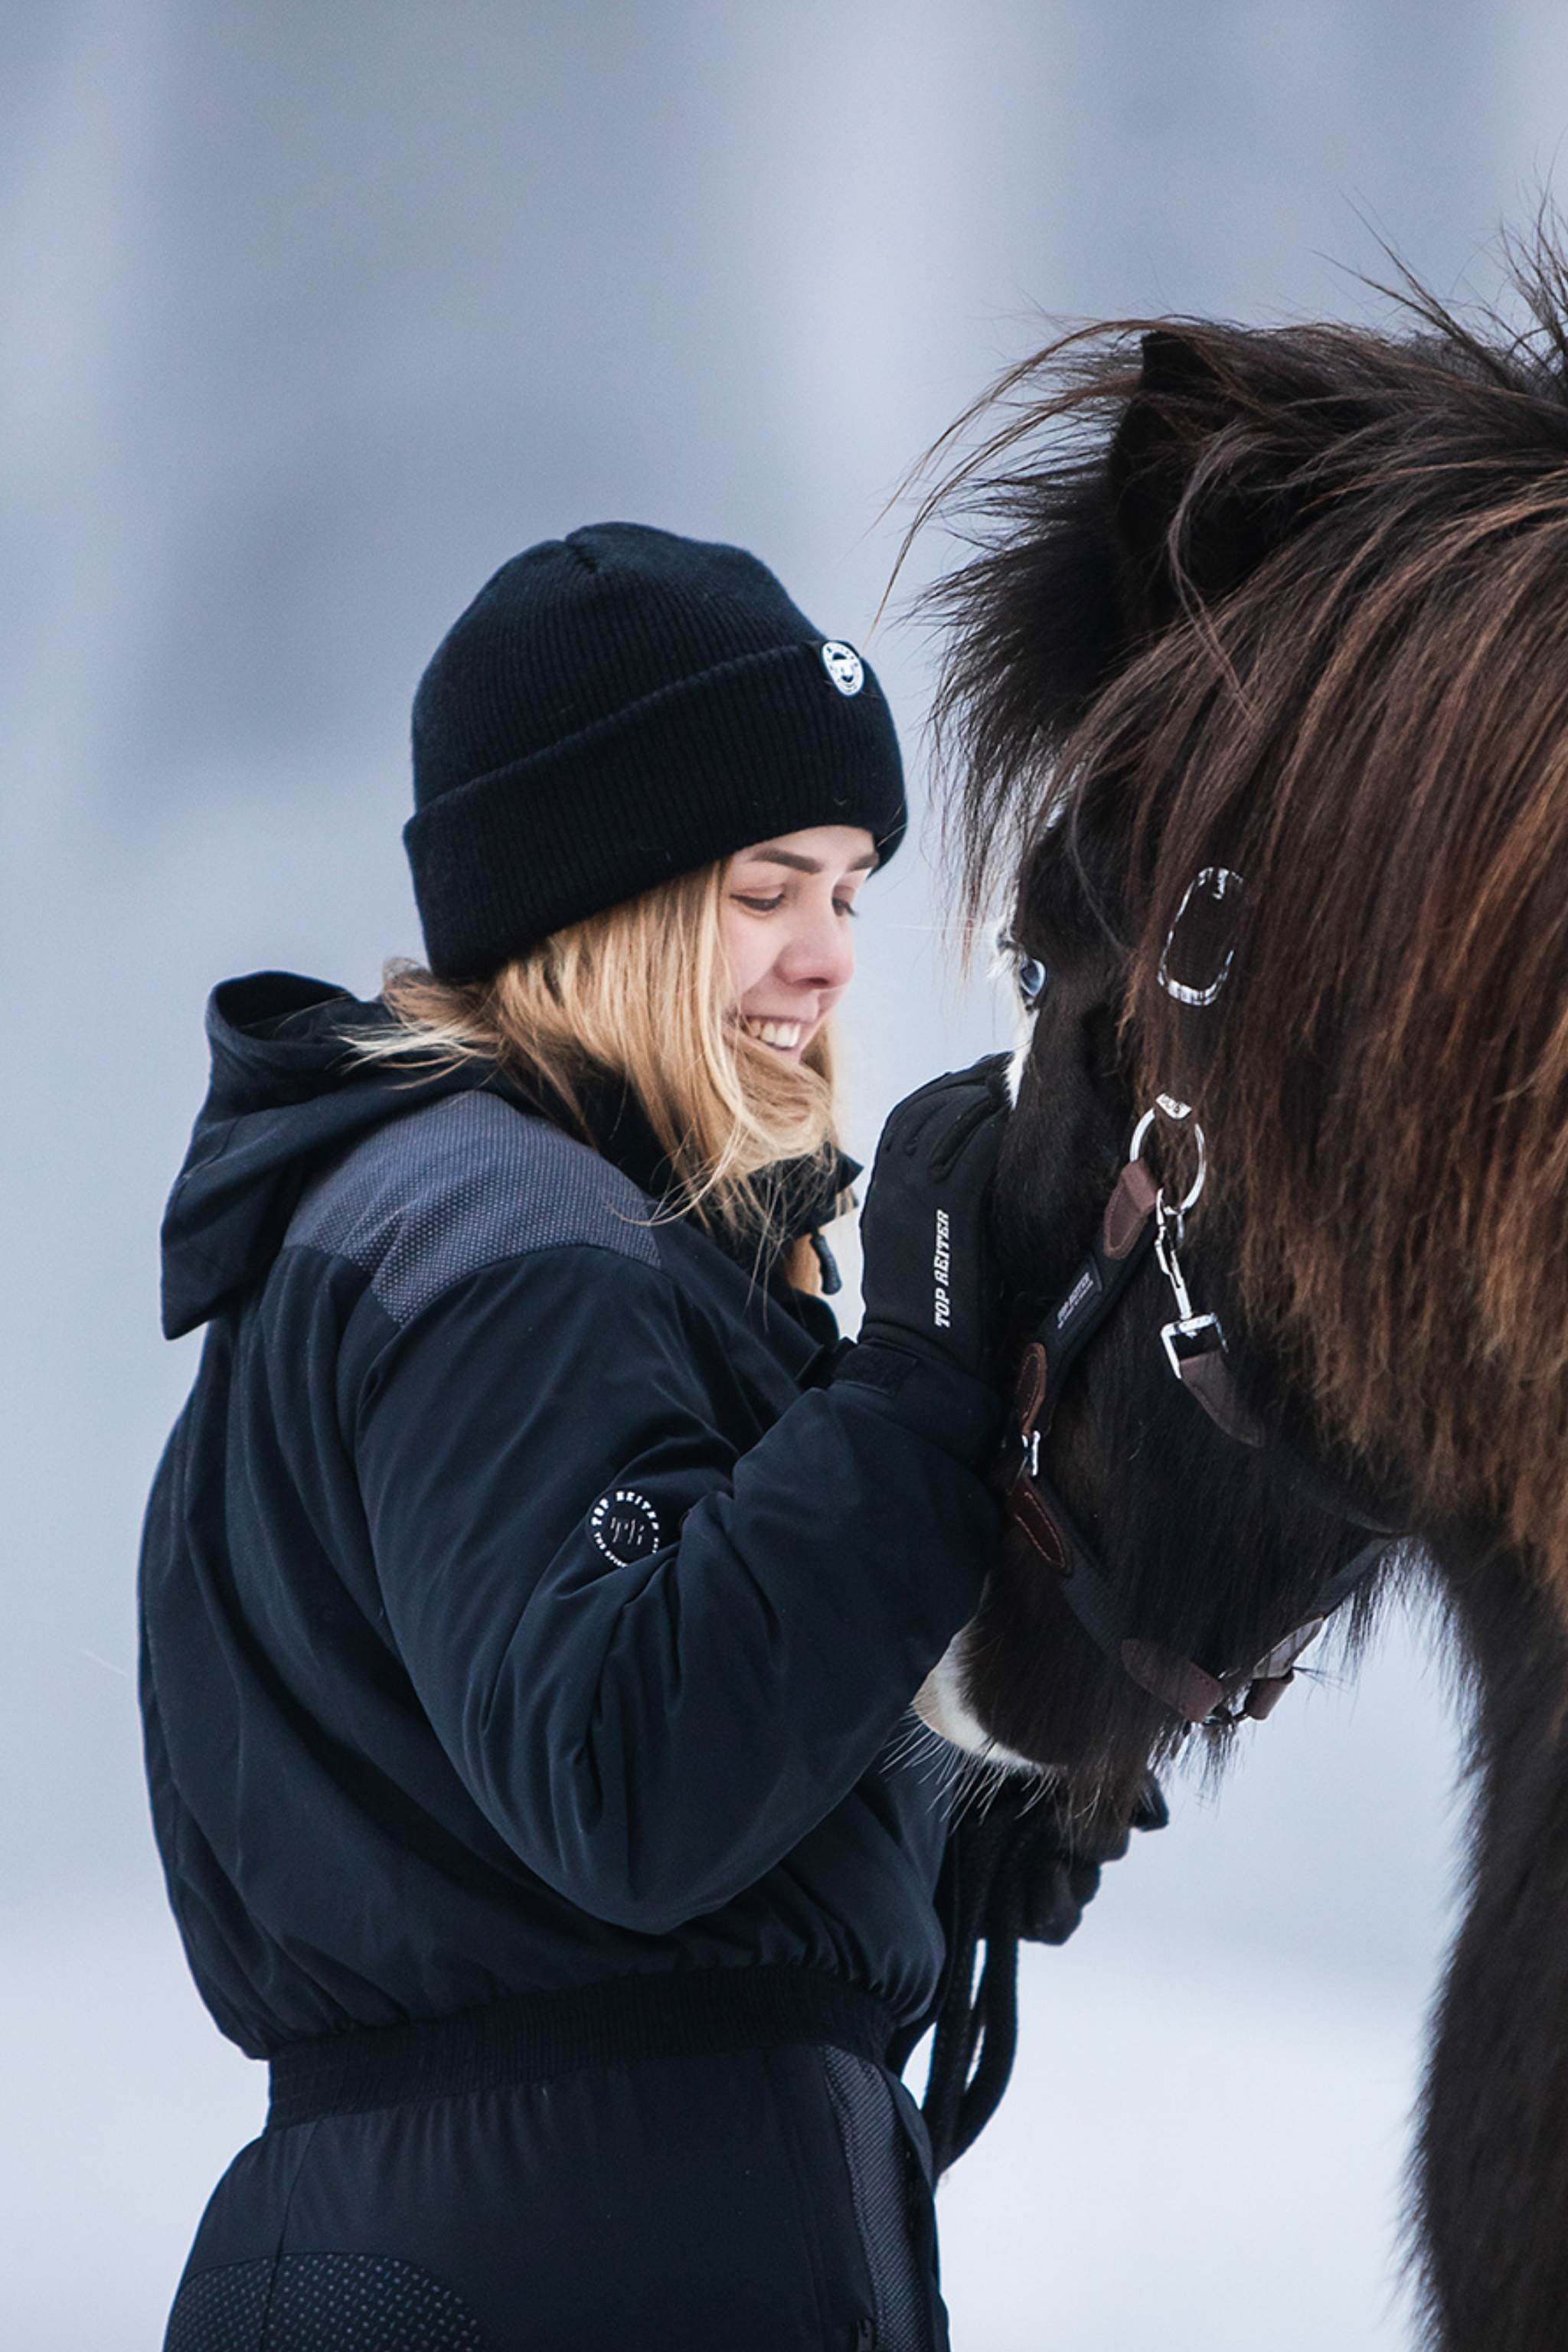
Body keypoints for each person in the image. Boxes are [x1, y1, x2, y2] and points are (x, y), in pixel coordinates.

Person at [140, 522, 1013, 2352]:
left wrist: (935, 1797)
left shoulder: (486, 1232)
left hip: (501, 2224)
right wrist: (922, 1388)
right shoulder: (519, 1248)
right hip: (572, 2248)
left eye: (851, 891)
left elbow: (512, 1816)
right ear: (592, 898)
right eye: (766, 887)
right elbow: (621, 1770)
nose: (828, 958)